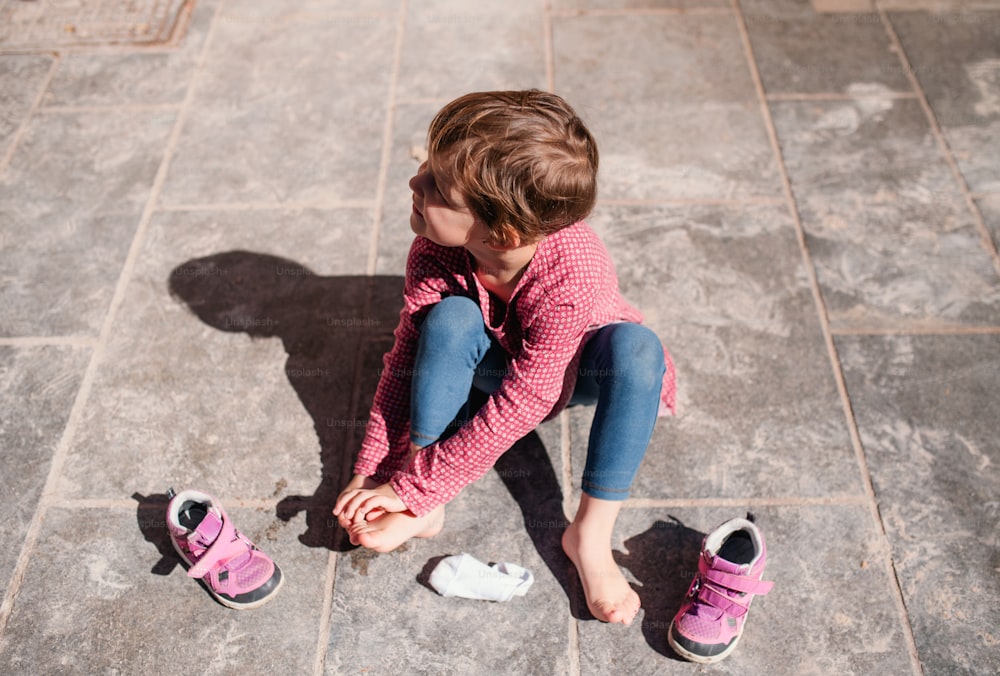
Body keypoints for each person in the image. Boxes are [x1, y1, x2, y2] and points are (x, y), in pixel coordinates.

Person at [332, 89, 675, 626]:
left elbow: (523, 402)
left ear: (504, 233)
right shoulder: (435, 246)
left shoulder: (573, 276)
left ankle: (588, 535)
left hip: (572, 371)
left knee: (638, 351)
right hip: (494, 358)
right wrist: (380, 469)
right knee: (446, 321)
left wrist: (412, 492)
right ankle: (423, 487)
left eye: (437, 188)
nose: (414, 183)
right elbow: (404, 355)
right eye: (427, 168)